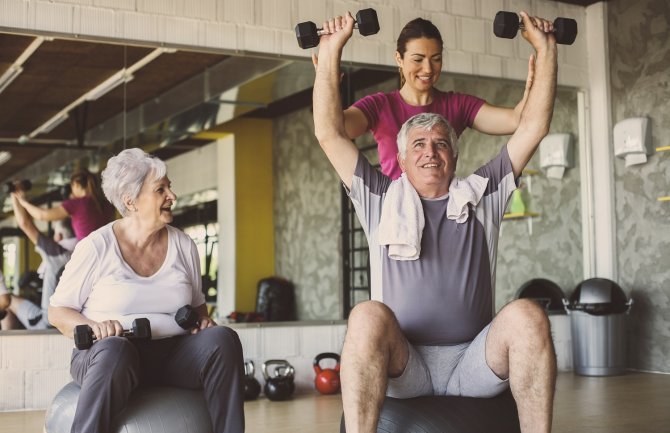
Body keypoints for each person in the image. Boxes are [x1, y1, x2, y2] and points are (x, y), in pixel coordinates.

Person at [313, 10, 557, 433]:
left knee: (528, 315)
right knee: (367, 316)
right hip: (406, 363)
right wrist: (331, 52)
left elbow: (531, 126)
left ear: (456, 157)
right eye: (419, 144)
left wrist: (546, 51)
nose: (431, 151)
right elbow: (330, 133)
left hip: (474, 360)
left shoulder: (482, 193)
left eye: (442, 143)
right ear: (401, 160)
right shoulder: (382, 199)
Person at [48, 148, 245, 433]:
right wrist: (94, 326)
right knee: (116, 350)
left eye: (170, 187)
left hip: (169, 355)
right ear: (131, 201)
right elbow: (58, 312)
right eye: (160, 189)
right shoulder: (96, 246)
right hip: (106, 358)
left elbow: (198, 308)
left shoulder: (184, 245)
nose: (172, 196)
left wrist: (203, 322)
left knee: (223, 340)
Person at [317, 16, 534, 180]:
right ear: (399, 59)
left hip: (444, 215)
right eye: (418, 59)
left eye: (436, 59)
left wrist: (537, 77)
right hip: (396, 220)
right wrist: (329, 61)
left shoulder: (457, 105)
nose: (428, 68)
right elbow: (334, 130)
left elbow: (517, 120)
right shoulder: (380, 106)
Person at [3, 187, 76, 330]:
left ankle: (6, 344)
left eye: (54, 233)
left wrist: (16, 197)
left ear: (60, 236)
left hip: (47, 322)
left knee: (7, 300)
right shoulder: (83, 249)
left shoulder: (57, 252)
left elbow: (25, 224)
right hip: (71, 318)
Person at [14, 169, 115, 241]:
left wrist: (24, 203)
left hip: (88, 250)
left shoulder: (77, 204)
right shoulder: (106, 202)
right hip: (109, 247)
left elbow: (42, 215)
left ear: (76, 184)